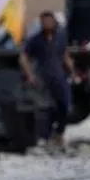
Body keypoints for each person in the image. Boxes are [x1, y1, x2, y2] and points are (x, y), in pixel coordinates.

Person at [20, 10, 77, 152]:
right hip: (43, 78)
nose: (47, 24)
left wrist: (73, 73)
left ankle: (59, 133)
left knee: (64, 105)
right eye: (44, 21)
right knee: (47, 109)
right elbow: (24, 57)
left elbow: (65, 55)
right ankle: (46, 138)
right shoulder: (36, 40)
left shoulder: (61, 37)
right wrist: (30, 75)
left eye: (49, 21)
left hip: (59, 76)